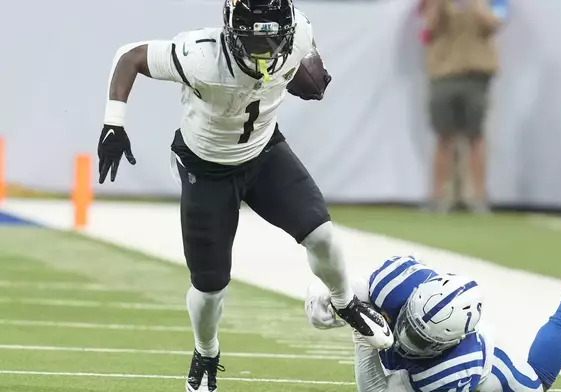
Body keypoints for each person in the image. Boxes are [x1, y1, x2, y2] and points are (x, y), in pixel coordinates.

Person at [96, 1, 392, 390]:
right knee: (209, 286)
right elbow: (129, 56)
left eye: (274, 39)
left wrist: (306, 74)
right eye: (256, 41)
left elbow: (306, 71)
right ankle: (206, 350)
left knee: (321, 234)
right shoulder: (200, 56)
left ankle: (344, 302)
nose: (267, 51)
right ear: (231, 34)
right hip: (207, 166)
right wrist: (113, 123)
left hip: (264, 151)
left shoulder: (299, 31)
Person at [305, 242, 561, 391]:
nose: (406, 341)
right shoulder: (397, 283)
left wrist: (362, 334)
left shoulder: (448, 371)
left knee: (537, 383)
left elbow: (375, 390)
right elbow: (344, 292)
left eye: (419, 339)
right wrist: (334, 304)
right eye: (410, 327)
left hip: (479, 368)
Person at [424, 0, 502, 214]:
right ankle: (439, 197)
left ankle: (477, 197)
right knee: (443, 136)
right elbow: (428, 29)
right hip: (444, 73)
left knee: (475, 136)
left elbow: (496, 23)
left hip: (476, 74)